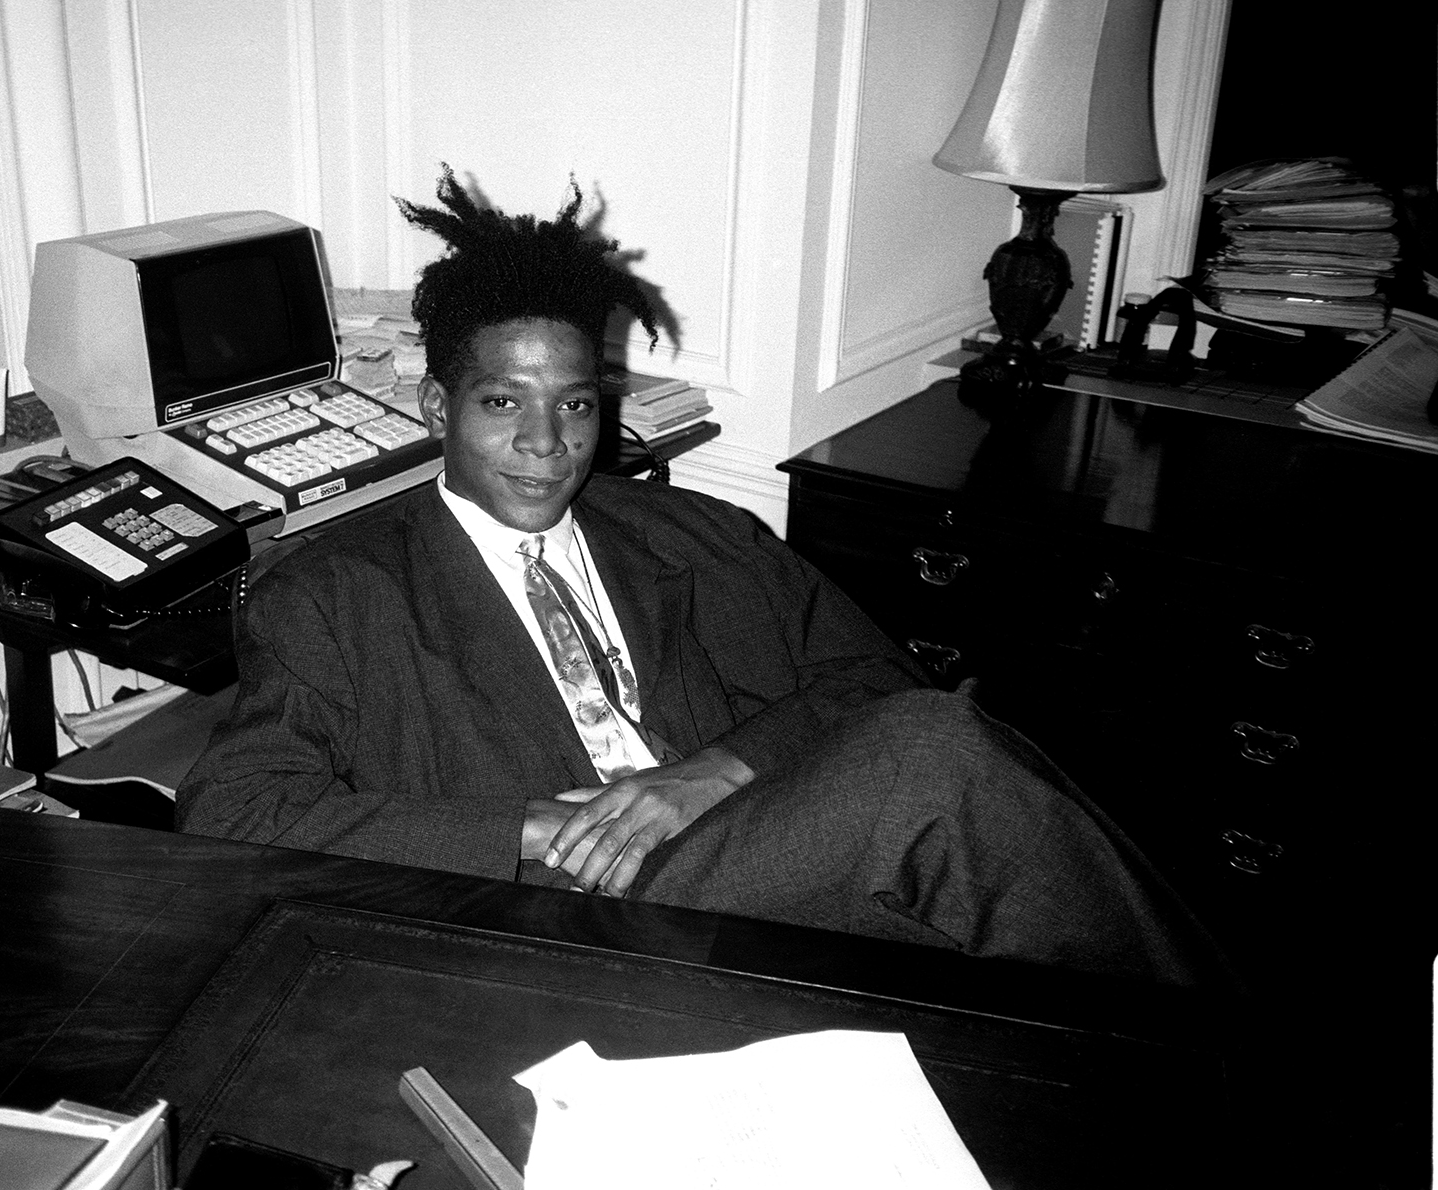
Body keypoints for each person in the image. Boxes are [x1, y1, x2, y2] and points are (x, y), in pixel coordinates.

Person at [177, 166, 1231, 987]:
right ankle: (1226, 1064)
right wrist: (531, 826)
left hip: (735, 859)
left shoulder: (694, 536)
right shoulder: (334, 592)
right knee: (936, 766)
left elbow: (876, 683)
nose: (548, 443)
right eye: (503, 404)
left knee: (961, 813)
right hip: (561, 909)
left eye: (577, 403)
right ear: (436, 410)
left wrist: (706, 775)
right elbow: (233, 811)